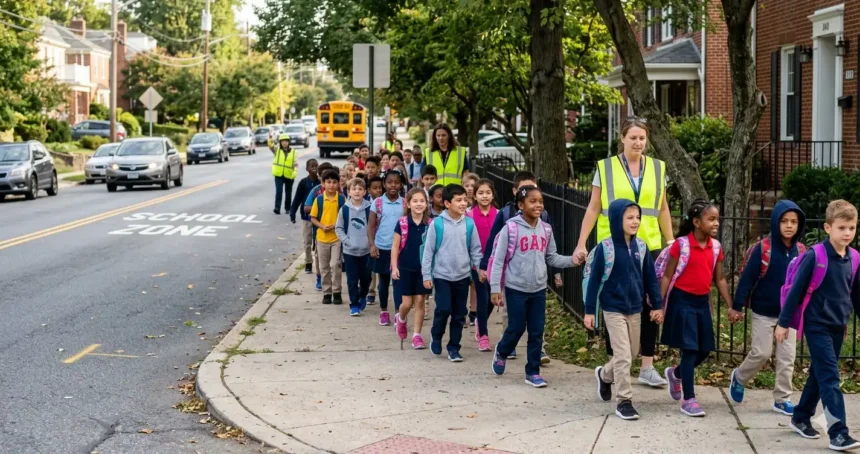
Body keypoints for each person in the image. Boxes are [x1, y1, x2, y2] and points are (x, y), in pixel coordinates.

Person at [573, 117, 674, 388]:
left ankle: (647, 367)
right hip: (613, 247)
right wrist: (582, 242)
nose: (638, 143)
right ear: (622, 138)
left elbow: (662, 208)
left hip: (649, 245)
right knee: (615, 305)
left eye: (642, 138)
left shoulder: (657, 167)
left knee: (651, 304)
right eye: (633, 138)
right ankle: (616, 364)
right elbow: (594, 207)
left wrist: (670, 240)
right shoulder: (605, 168)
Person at [776, 200, 860, 450]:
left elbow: (856, 295)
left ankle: (801, 417)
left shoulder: (855, 258)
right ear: (827, 228)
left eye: (852, 228)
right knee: (830, 378)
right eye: (842, 227)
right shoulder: (815, 256)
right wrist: (782, 323)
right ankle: (839, 433)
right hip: (816, 324)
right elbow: (796, 292)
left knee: (819, 373)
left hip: (838, 324)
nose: (847, 233)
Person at [489, 186, 575, 387]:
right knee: (517, 327)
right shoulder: (510, 228)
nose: (538, 205)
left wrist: (573, 260)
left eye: (540, 201)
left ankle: (532, 371)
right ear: (521, 205)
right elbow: (499, 260)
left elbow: (551, 257)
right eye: (533, 201)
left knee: (536, 330)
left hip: (538, 289)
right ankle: (502, 351)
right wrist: (495, 288)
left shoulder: (546, 229)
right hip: (515, 288)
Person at [586, 199, 664, 420]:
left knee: (630, 353)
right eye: (629, 217)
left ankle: (604, 374)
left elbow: (650, 279)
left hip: (635, 308)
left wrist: (657, 305)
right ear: (616, 219)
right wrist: (590, 311)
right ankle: (624, 400)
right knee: (622, 354)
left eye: (637, 217)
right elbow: (593, 282)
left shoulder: (641, 247)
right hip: (613, 308)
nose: (635, 221)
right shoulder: (606, 248)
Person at [729, 201, 806, 413]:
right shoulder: (763, 249)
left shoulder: (801, 251)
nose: (789, 226)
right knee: (761, 353)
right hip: (763, 312)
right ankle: (739, 377)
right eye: (784, 221)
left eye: (794, 222)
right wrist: (737, 306)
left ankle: (782, 398)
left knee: (787, 357)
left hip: (788, 315)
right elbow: (747, 279)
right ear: (775, 223)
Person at [661, 199, 733, 417]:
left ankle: (676, 374)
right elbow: (667, 275)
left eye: (717, 219)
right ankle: (688, 399)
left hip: (702, 302)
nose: (716, 223)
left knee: (704, 349)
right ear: (696, 222)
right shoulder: (680, 245)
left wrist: (732, 305)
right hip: (681, 302)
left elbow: (719, 279)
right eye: (711, 219)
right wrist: (657, 304)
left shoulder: (716, 247)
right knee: (690, 349)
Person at [479, 170, 559, 361]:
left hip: (537, 285)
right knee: (514, 322)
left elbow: (550, 253)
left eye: (537, 194)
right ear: (517, 194)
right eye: (526, 191)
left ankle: (536, 361)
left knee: (537, 326)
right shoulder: (507, 219)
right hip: (514, 282)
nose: (537, 202)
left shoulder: (544, 222)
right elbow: (494, 245)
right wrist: (488, 273)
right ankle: (508, 346)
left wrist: (565, 265)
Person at [421, 184, 484, 362]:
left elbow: (475, 251)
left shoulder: (469, 224)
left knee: (459, 313)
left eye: (465, 200)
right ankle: (436, 335)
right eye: (458, 200)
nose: (463, 203)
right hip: (442, 276)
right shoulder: (437, 224)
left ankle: (454, 348)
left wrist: (479, 270)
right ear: (447, 203)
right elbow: (428, 251)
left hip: (463, 276)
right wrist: (427, 275)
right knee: (443, 309)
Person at [392, 188, 432, 349]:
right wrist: (394, 267)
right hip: (405, 267)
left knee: (421, 301)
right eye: (415, 201)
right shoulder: (402, 223)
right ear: (408, 203)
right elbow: (395, 246)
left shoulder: (430, 224)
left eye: (422, 201)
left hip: (424, 269)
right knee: (407, 303)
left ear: (426, 204)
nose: (418, 204)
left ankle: (417, 335)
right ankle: (401, 318)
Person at [368, 170, 406, 325]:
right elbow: (370, 226)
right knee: (383, 282)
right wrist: (372, 245)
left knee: (398, 282)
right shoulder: (377, 203)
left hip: (399, 249)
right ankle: (384, 310)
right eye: (390, 182)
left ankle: (398, 312)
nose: (393, 185)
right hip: (382, 247)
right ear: (384, 184)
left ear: (401, 184)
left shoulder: (404, 203)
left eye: (397, 182)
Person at [467, 179, 498, 351]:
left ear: (493, 194)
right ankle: (484, 335)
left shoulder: (499, 214)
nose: (484, 196)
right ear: (475, 195)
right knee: (482, 297)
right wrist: (478, 266)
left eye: (487, 192)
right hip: (477, 264)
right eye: (481, 193)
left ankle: (480, 320)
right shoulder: (469, 216)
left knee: (493, 298)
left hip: (496, 264)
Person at [335, 178, 373, 316]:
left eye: (360, 189)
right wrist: (347, 241)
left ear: (365, 192)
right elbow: (338, 228)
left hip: (366, 251)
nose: (357, 191)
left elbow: (375, 227)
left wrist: (371, 243)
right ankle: (354, 305)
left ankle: (363, 296)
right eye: (354, 189)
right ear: (348, 192)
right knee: (352, 280)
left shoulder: (370, 208)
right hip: (350, 251)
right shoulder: (344, 209)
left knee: (366, 279)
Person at [310, 170, 346, 305]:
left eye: (334, 182)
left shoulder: (342, 199)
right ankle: (327, 292)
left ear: (338, 184)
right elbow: (313, 218)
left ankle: (337, 292)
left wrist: (337, 225)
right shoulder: (319, 200)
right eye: (328, 182)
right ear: (323, 183)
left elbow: (345, 217)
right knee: (324, 267)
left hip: (336, 238)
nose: (331, 185)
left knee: (335, 265)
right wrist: (322, 226)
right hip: (321, 238)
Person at [290, 159, 320, 275]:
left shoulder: (321, 183)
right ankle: (308, 262)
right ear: (307, 169)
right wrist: (293, 211)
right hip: (306, 217)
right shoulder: (303, 183)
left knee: (318, 241)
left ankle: (318, 262)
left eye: (316, 166)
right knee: (307, 241)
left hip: (318, 218)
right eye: (312, 166)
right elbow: (297, 198)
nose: (314, 168)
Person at [365, 175, 385, 305]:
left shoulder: (384, 202)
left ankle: (381, 287)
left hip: (382, 239)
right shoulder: (365, 204)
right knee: (371, 267)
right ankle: (370, 291)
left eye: (380, 188)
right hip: (369, 239)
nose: (378, 190)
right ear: (368, 190)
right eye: (374, 188)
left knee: (381, 267)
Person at [272, 133, 298, 215]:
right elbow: (270, 145)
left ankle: (288, 208)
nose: (284, 143)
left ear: (288, 142)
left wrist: (295, 171)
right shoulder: (277, 150)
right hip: (279, 174)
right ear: (280, 142)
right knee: (279, 191)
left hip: (289, 175)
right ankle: (277, 208)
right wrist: (270, 138)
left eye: (286, 141)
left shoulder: (293, 152)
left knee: (288, 192)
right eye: (282, 141)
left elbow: (295, 163)